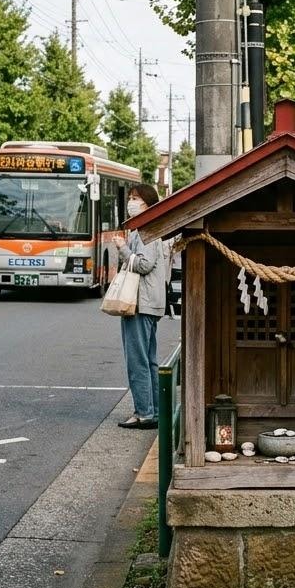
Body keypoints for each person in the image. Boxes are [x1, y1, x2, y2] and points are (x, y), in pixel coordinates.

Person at [113, 183, 168, 429]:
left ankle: (144, 412)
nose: (131, 203)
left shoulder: (145, 230)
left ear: (148, 204)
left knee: (137, 360)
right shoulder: (151, 228)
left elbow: (144, 265)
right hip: (149, 302)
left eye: (136, 199)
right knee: (149, 360)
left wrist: (122, 249)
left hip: (140, 302)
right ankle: (154, 411)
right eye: (131, 198)